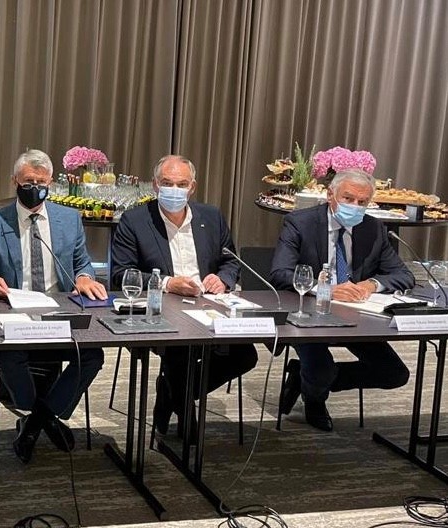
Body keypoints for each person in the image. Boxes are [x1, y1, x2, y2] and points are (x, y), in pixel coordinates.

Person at [0, 149, 106, 463]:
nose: (35, 187)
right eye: (28, 181)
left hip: (60, 312)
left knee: (93, 355)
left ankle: (37, 419)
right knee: (9, 354)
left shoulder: (69, 219)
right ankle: (42, 415)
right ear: (14, 181)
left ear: (50, 183)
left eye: (41, 182)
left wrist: (84, 276)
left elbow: (83, 263)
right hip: (15, 314)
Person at [111, 154, 258, 440]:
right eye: (167, 183)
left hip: (209, 304)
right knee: (181, 351)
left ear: (192, 187)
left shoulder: (211, 217)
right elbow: (121, 274)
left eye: (181, 184)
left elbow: (231, 261)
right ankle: (185, 411)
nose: (174, 190)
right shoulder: (135, 220)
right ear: (155, 185)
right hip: (164, 307)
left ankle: (172, 393)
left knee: (245, 355)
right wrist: (167, 283)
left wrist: (222, 279)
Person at [270, 168, 413, 431]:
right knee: (320, 369)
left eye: (362, 202)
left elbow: (403, 275)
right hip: (308, 315)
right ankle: (314, 398)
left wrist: (372, 284)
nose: (355, 206)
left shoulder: (373, 228)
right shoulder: (300, 222)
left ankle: (305, 378)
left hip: (355, 316)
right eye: (348, 199)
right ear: (330, 195)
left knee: (395, 374)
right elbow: (280, 273)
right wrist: (325, 289)